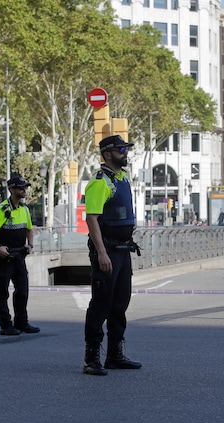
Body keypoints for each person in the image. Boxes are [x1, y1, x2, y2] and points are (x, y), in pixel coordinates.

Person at [83, 134, 142, 376]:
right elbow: (92, 219)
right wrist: (101, 252)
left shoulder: (122, 178)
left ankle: (115, 355)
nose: (125, 153)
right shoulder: (100, 181)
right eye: (120, 150)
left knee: (120, 303)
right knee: (101, 304)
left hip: (123, 249)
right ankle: (91, 358)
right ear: (107, 154)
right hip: (107, 251)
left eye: (126, 149)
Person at [0, 175, 39, 336]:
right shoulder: (3, 209)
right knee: (3, 292)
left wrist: (30, 244)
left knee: (23, 290)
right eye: (21, 188)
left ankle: (22, 322)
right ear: (11, 190)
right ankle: (6, 325)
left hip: (20, 255)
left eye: (25, 187)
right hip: (5, 258)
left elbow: (29, 228)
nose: (24, 190)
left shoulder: (24, 209)